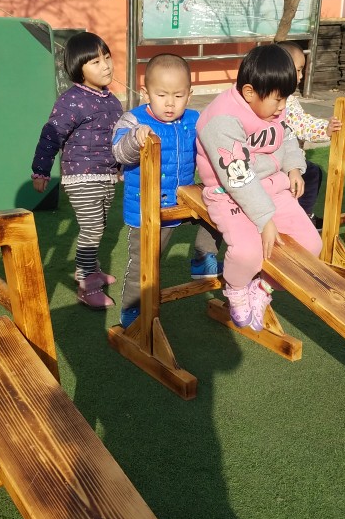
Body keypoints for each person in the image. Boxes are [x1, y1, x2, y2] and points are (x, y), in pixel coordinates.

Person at [196, 44, 323, 331]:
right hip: (229, 194)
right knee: (247, 252)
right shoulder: (222, 120)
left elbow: (287, 137)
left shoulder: (272, 108)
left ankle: (263, 288)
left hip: (273, 188)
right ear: (250, 92)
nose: (282, 107)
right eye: (279, 100)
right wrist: (265, 220)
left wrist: (294, 166)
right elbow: (238, 178)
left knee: (311, 246)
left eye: (286, 98)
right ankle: (237, 289)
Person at [111, 53, 222, 329]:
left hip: (185, 198)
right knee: (145, 262)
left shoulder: (194, 119)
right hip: (147, 208)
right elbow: (118, 152)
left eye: (178, 95)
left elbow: (215, 140)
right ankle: (132, 308)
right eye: (161, 95)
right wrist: (134, 140)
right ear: (145, 92)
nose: (170, 103)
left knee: (222, 210)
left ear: (189, 95)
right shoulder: (133, 120)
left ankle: (203, 257)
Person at [31, 31, 123, 309]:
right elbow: (51, 135)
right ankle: (86, 283)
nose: (105, 66)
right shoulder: (71, 100)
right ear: (78, 69)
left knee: (99, 225)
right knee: (92, 228)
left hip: (106, 175)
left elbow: (117, 137)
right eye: (95, 62)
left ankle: (91, 269)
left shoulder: (111, 100)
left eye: (107, 58)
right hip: (81, 176)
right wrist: (41, 170)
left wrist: (121, 166)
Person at [276, 41, 343, 229]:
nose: (300, 76)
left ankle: (303, 214)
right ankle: (304, 215)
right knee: (312, 174)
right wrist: (326, 129)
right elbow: (303, 124)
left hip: (282, 160)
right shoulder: (285, 102)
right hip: (282, 163)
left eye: (301, 70)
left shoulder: (285, 98)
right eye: (298, 70)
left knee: (310, 173)